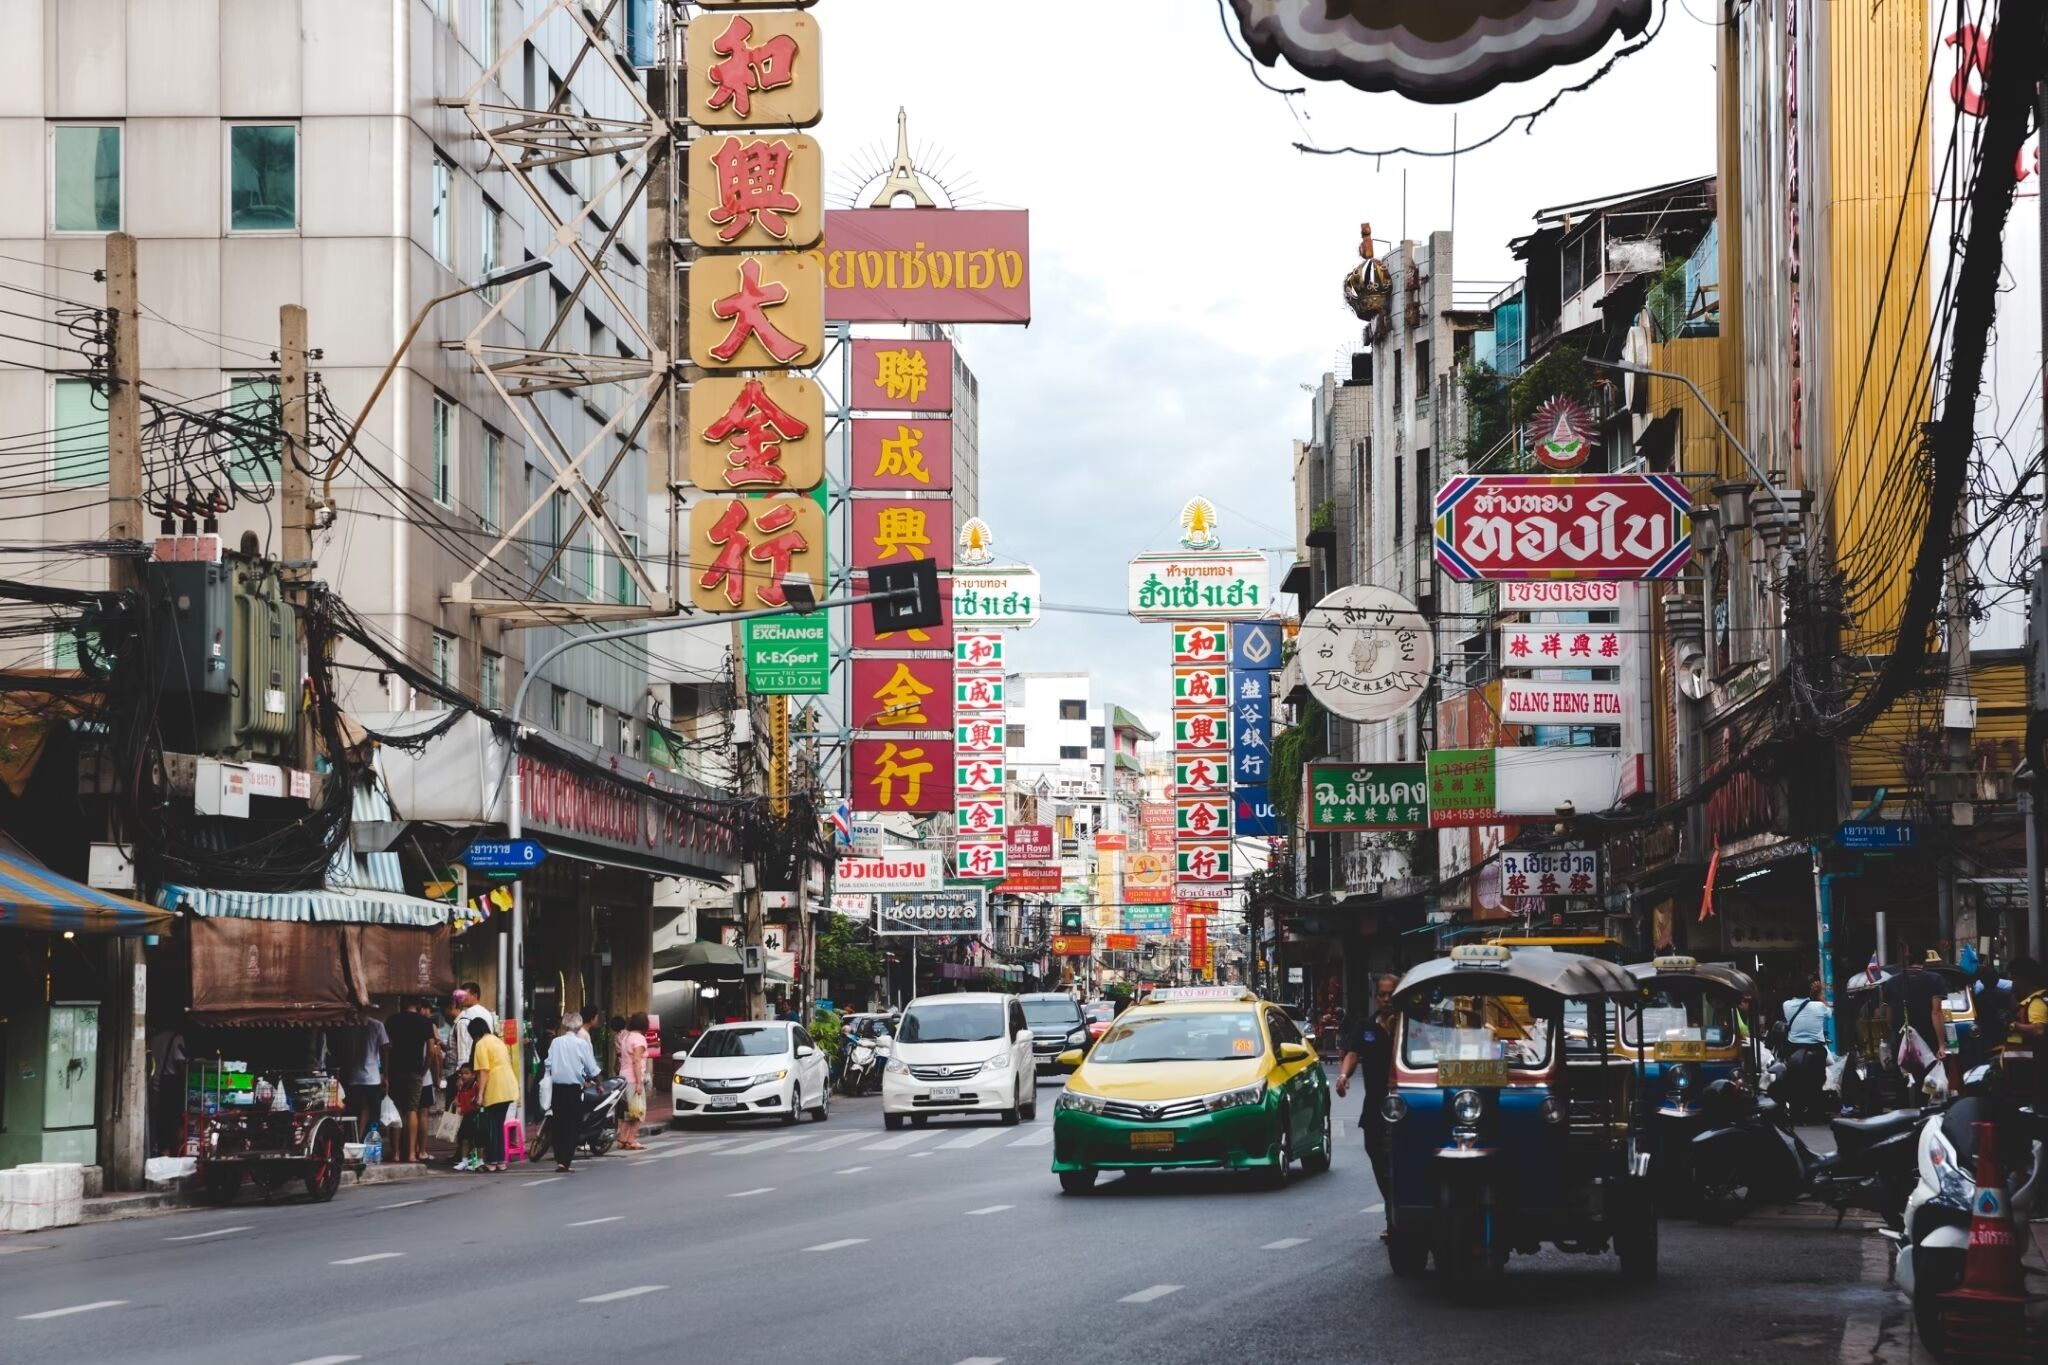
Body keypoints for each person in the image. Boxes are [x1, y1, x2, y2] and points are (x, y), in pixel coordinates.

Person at [1335, 973, 1399, 1228]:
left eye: (1390, 994)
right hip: (1375, 1105)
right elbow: (1352, 1053)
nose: (1386, 999)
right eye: (1382, 995)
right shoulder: (1367, 1026)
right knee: (1376, 1155)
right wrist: (1343, 1075)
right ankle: (1392, 1211)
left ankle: (1399, 1216)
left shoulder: (1411, 1025)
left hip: (1405, 1104)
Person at [546, 1012, 601, 1172]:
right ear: (578, 1026)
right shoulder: (580, 1044)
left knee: (558, 1123)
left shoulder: (556, 1042)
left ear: (564, 1025)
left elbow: (548, 1063)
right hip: (573, 1090)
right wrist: (599, 1082)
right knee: (572, 1125)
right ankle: (565, 1161)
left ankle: (559, 1159)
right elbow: (591, 1066)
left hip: (557, 1089)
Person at [384, 998, 435, 1163]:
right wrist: (424, 1070)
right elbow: (431, 1051)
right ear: (418, 1006)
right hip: (415, 1071)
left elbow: (387, 1046)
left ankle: (396, 1153)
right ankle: (412, 1153)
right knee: (413, 1110)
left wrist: (386, 1071)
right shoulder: (425, 1022)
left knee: (397, 1110)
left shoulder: (392, 1020)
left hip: (396, 1070)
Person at [468, 1017, 518, 1173]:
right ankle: (501, 1161)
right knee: (498, 1125)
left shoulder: (481, 1044)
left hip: (495, 1088)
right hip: (508, 1086)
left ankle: (491, 1161)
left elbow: (484, 1070)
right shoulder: (497, 1041)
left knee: (491, 1126)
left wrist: (480, 1094)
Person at [336, 1013, 391, 1143]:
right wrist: (386, 1076)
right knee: (373, 1114)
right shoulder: (377, 1025)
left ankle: (354, 1141)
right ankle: (369, 1142)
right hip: (373, 1078)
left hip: (353, 1077)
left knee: (354, 1112)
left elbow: (342, 1050)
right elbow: (385, 1051)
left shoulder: (348, 1026)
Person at [2003, 956, 2046, 1107]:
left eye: (2013, 980)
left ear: (2023, 979)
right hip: (2029, 1074)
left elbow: (2039, 1030)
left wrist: (2014, 1026)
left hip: (2033, 1075)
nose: (2012, 985)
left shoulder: (2035, 1003)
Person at [615, 1012, 650, 1150]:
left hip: (623, 1077)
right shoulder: (640, 1039)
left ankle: (622, 1139)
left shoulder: (626, 1037)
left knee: (626, 1111)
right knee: (638, 1111)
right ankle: (631, 1139)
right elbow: (636, 1060)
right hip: (633, 1078)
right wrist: (639, 1082)